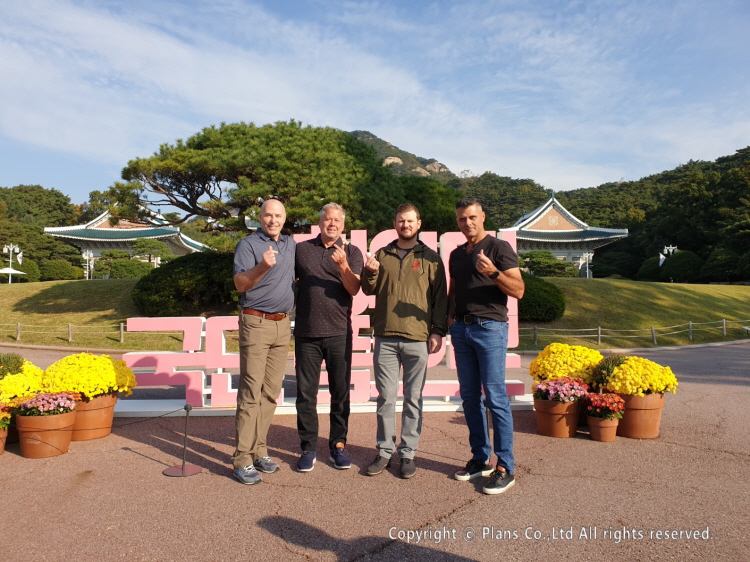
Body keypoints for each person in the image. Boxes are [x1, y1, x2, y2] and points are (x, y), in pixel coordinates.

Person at [361, 203, 448, 479]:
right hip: (385, 336)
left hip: (417, 337)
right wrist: (370, 271)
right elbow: (367, 289)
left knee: (413, 398)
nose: (405, 225)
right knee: (385, 397)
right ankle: (385, 451)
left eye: (410, 221)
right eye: (401, 220)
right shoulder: (381, 254)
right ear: (395, 223)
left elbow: (440, 299)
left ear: (418, 223)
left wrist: (438, 331)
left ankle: (408, 453)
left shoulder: (431, 258)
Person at [448, 197, 525, 495]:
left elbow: (518, 290)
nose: (467, 223)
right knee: (469, 397)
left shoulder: (498, 248)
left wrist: (493, 272)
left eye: (472, 217)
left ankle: (505, 467)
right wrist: (449, 322)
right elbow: (453, 292)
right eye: (461, 218)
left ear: (482, 217)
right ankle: (481, 459)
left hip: (490, 328)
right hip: (461, 329)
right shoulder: (456, 254)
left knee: (495, 397)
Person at [294, 203, 364, 472]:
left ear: (343, 225)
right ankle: (308, 448)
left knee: (340, 393)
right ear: (320, 222)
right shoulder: (302, 249)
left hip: (339, 333)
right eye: (327, 219)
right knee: (305, 394)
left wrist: (343, 264)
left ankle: (338, 445)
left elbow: (354, 288)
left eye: (337, 220)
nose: (332, 224)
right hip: (307, 333)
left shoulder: (352, 252)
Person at [231, 199, 296, 485]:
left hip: (283, 325)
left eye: (278, 215)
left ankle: (259, 451)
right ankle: (242, 459)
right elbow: (240, 284)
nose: (273, 220)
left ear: (285, 218)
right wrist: (262, 266)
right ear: (260, 218)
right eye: (268, 215)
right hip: (255, 322)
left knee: (270, 392)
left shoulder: (290, 244)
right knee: (251, 392)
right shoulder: (248, 245)